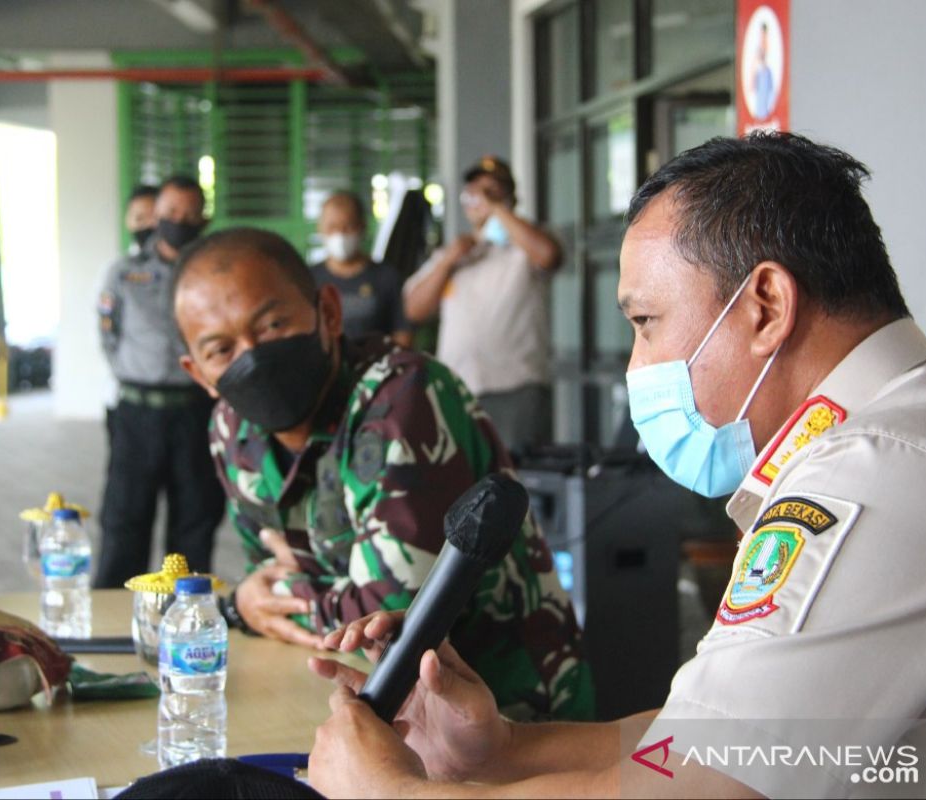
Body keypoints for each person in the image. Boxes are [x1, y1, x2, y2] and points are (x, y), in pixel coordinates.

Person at [306, 133, 926, 798]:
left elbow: (706, 786)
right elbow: (712, 741)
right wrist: (501, 752)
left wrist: (390, 793)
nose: (636, 365)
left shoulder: (879, 479)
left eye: (646, 323)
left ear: (765, 306)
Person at [173, 227, 594, 721]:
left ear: (328, 312)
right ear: (198, 372)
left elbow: (391, 620)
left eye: (271, 326)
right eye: (221, 350)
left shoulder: (403, 396)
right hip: (359, 697)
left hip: (509, 716)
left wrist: (248, 605)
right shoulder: (230, 427)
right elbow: (266, 575)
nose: (252, 357)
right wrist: (263, 597)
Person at [94, 175, 226, 588]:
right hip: (137, 413)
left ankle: (186, 616)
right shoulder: (124, 273)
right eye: (171, 213)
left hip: (195, 411)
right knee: (124, 520)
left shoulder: (215, 272)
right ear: (156, 215)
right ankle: (111, 614)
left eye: (189, 215)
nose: (179, 222)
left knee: (195, 520)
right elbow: (107, 333)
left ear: (202, 218)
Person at [403, 157, 561, 457]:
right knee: (461, 483)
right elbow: (413, 310)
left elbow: (549, 255)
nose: (482, 199)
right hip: (458, 390)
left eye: (492, 191)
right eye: (476, 193)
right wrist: (449, 261)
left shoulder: (523, 250)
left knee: (520, 480)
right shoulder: (454, 254)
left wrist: (499, 210)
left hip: (516, 389)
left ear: (510, 198)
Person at [311, 191, 412, 348]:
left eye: (348, 226)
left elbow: (402, 334)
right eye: (332, 227)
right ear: (320, 228)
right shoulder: (309, 278)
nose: (340, 235)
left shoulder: (386, 276)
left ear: (362, 226)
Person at [124, 183, 158, 255]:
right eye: (140, 219)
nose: (148, 224)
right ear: (128, 222)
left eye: (154, 217)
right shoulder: (122, 265)